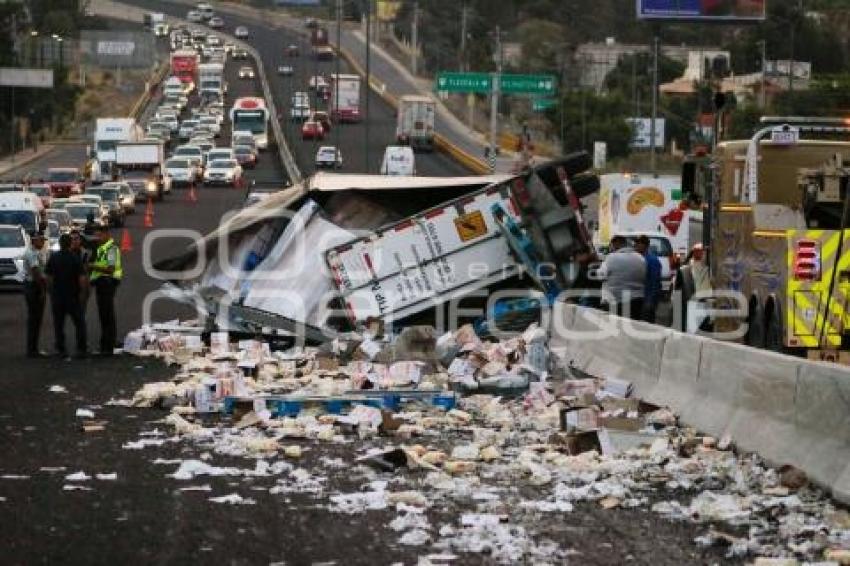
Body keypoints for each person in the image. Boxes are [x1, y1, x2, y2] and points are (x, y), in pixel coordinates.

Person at [46, 233, 87, 359]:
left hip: (58, 296)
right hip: (72, 295)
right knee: (79, 323)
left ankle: (61, 349)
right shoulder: (75, 258)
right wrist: (82, 293)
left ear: (60, 244)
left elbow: (49, 277)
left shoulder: (54, 257)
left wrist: (51, 292)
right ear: (70, 244)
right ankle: (81, 349)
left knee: (59, 324)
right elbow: (82, 279)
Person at [88, 224, 122, 357]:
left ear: (107, 235)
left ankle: (107, 347)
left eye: (100, 235)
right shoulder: (101, 248)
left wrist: (92, 266)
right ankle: (107, 344)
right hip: (102, 284)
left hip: (107, 283)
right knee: (105, 316)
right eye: (96, 235)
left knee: (107, 315)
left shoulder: (111, 249)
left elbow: (110, 269)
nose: (97, 237)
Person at [600, 235, 645, 319]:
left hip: (617, 301)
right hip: (637, 301)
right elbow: (645, 277)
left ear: (615, 244)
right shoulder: (640, 258)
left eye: (611, 245)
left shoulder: (611, 258)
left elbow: (601, 276)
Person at [22, 231, 48, 357]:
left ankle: (33, 348)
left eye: (43, 240)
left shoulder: (37, 252)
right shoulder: (31, 253)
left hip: (33, 286)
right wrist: (43, 289)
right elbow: (36, 272)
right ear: (33, 240)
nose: (43, 242)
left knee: (36, 319)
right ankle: (32, 350)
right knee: (34, 319)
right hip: (34, 287)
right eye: (41, 240)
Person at [634, 235, 662, 324]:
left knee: (647, 323)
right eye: (636, 243)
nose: (636, 245)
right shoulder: (637, 258)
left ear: (646, 245)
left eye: (639, 243)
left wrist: (650, 300)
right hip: (638, 297)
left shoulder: (652, 260)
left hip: (648, 298)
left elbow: (655, 281)